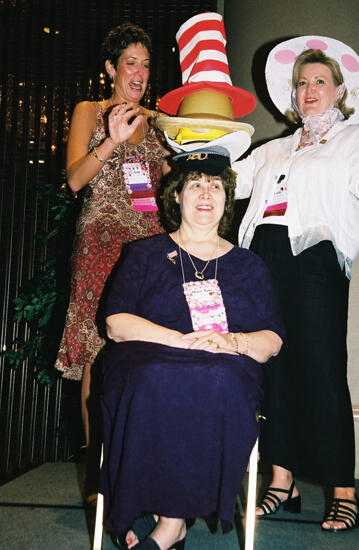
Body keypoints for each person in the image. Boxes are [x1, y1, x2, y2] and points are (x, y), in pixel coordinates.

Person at [100, 145, 284, 550]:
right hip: (149, 356)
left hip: (224, 364)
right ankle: (160, 515)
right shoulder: (144, 254)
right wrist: (178, 339)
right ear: (176, 197)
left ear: (227, 199)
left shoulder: (250, 265)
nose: (205, 194)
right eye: (195, 185)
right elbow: (116, 324)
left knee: (215, 379)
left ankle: (169, 524)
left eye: (216, 186)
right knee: (153, 376)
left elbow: (271, 340)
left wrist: (230, 341)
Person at [233, 35, 359, 531]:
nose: (309, 90)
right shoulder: (275, 148)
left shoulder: (353, 140)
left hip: (315, 258)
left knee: (323, 368)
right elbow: (232, 180)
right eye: (302, 83)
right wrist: (191, 153)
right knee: (274, 367)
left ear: (338, 90)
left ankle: (343, 489)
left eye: (320, 82)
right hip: (263, 256)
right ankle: (280, 483)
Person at [54, 22, 169, 500]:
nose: (139, 72)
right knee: (97, 358)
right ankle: (98, 477)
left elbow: (163, 193)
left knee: (148, 354)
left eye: (145, 64)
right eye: (130, 63)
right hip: (101, 243)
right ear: (109, 69)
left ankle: (142, 466)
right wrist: (114, 141)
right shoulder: (90, 110)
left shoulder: (161, 120)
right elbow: (76, 179)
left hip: (149, 245)